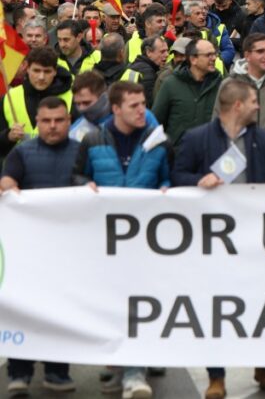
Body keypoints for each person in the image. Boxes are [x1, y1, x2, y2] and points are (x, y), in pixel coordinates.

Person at [170, 77, 265, 399]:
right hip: (213, 239)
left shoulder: (261, 139)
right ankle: (216, 375)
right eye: (254, 101)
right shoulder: (197, 138)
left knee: (259, 302)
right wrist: (199, 180)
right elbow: (177, 176)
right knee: (216, 306)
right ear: (238, 105)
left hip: (253, 239)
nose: (258, 105)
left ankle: (262, 364)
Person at [73, 81, 170, 399]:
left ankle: (134, 372)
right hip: (107, 241)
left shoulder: (157, 142)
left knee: (139, 304)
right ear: (116, 109)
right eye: (134, 105)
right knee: (112, 304)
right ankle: (118, 362)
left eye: (143, 103)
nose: (143, 109)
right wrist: (83, 185)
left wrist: (170, 190)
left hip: (146, 241)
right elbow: (77, 175)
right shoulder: (92, 140)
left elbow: (169, 177)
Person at [0, 98, 79, 395]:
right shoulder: (21, 153)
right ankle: (19, 373)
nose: (53, 126)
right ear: (37, 120)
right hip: (29, 251)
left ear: (68, 121)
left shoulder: (80, 152)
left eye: (59, 120)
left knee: (62, 312)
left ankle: (57, 372)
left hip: (68, 251)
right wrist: (6, 185)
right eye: (46, 121)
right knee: (25, 310)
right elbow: (7, 179)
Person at [152, 38, 223, 148]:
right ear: (193, 59)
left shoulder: (221, 85)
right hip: (178, 157)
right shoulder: (171, 85)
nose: (214, 58)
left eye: (214, 54)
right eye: (208, 55)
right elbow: (155, 123)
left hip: (210, 156)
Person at [0, 47, 73, 153]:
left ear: (55, 71)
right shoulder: (9, 97)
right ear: (27, 69)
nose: (41, 77)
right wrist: (8, 137)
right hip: (18, 167)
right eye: (36, 71)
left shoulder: (71, 97)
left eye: (47, 71)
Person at [128, 34, 168, 106]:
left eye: (167, 51)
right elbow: (150, 104)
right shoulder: (148, 73)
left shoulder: (136, 65)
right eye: (162, 51)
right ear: (148, 52)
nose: (167, 54)